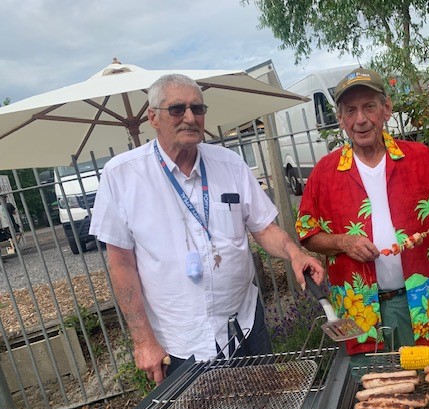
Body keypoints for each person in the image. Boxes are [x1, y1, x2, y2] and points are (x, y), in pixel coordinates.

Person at [89, 73, 324, 384]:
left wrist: (294, 253)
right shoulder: (121, 176)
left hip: (245, 327)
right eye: (177, 109)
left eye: (198, 109)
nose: (190, 117)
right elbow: (121, 264)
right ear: (153, 117)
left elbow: (263, 228)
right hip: (179, 342)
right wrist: (143, 341)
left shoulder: (230, 165)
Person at [295, 67, 429, 362]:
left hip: (422, 300)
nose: (360, 119)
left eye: (369, 107)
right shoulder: (324, 174)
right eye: (350, 111)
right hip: (360, 310)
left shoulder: (420, 157)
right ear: (340, 119)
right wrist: (343, 242)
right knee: (375, 392)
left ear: (387, 109)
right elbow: (308, 234)